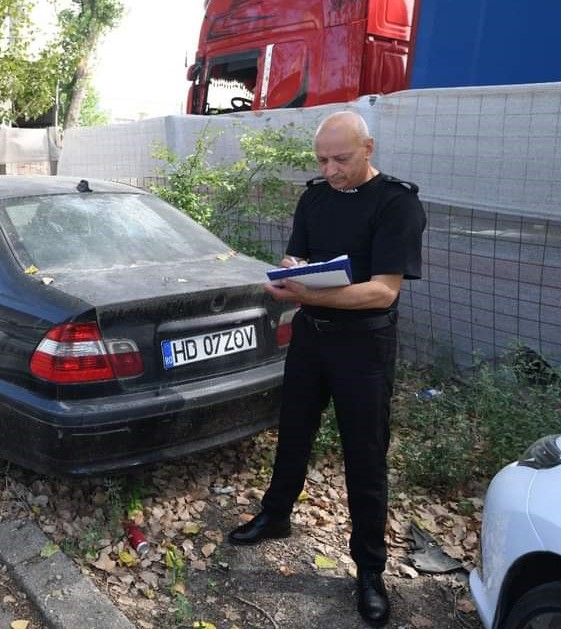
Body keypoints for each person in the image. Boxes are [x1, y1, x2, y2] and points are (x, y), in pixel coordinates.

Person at [227, 111, 426, 628]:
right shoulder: (314, 198)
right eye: (322, 160)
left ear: (368, 148)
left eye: (341, 159)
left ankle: (370, 570)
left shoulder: (397, 203)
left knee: (365, 454)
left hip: (365, 346)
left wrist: (312, 293)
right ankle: (276, 514)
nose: (331, 170)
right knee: (293, 431)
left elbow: (383, 291)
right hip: (311, 337)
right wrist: (290, 275)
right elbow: (295, 259)